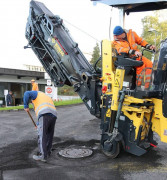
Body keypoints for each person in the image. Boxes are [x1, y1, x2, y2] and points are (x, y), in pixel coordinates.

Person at [24, 91, 57, 162]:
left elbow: (26, 93)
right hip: (53, 115)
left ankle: (42, 155)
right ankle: (47, 152)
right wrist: (38, 124)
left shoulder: (36, 93)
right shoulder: (45, 97)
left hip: (44, 114)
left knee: (42, 135)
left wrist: (26, 106)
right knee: (49, 134)